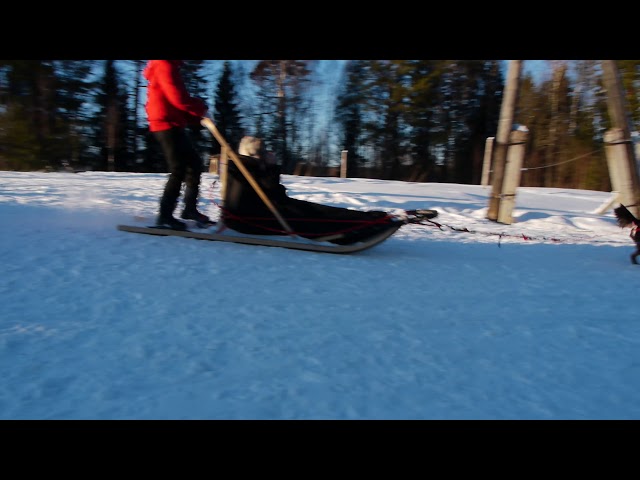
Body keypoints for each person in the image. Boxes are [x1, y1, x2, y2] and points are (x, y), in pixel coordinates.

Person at [143, 60, 211, 230]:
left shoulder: (170, 66)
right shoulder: (164, 64)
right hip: (164, 123)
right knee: (178, 168)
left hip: (173, 123)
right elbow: (178, 98)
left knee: (194, 164)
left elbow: (175, 102)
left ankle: (189, 209)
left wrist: (196, 118)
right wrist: (200, 108)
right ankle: (164, 216)